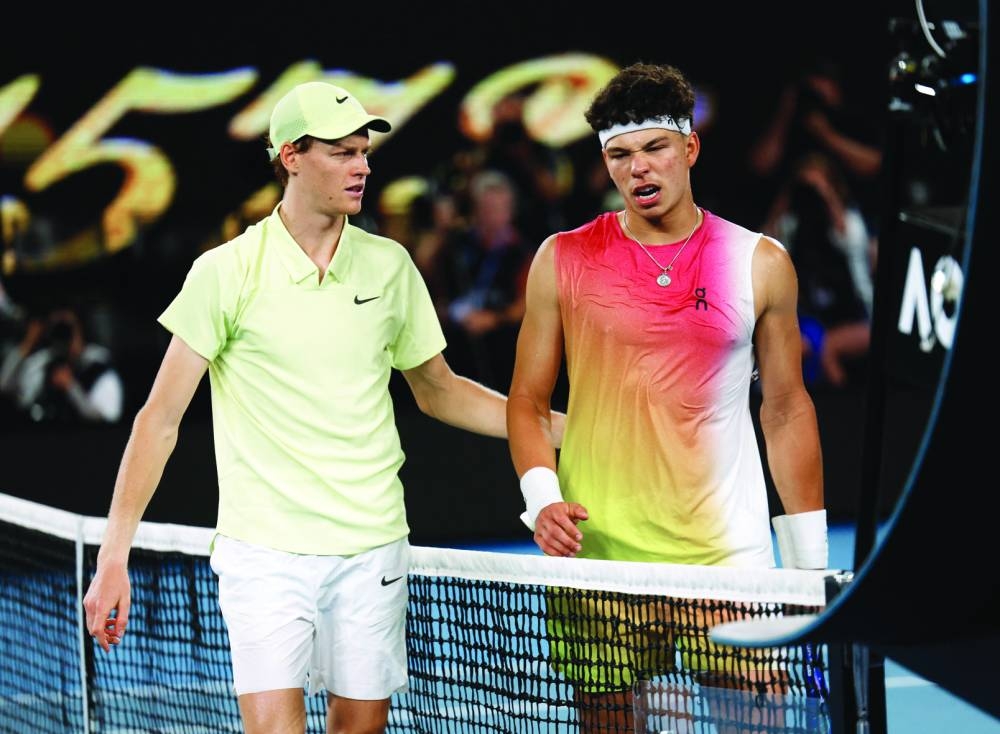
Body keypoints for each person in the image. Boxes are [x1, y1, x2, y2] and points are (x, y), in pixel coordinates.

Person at [82, 80, 563, 734]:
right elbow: (158, 421)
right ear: (291, 157)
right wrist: (115, 555)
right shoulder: (225, 273)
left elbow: (440, 390)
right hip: (265, 554)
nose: (361, 166)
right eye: (341, 153)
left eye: (363, 152)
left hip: (372, 548)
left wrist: (560, 427)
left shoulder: (390, 268)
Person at [506, 62, 827, 732]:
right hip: (600, 558)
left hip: (726, 559)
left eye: (654, 148)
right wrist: (541, 501)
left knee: (758, 724)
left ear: (690, 148)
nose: (639, 170)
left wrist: (808, 568)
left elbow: (787, 410)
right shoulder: (560, 259)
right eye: (620, 155)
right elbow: (528, 402)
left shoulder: (758, 262)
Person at [0, 307, 123, 424]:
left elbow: (108, 417)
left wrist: (71, 387)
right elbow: (11, 392)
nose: (63, 334)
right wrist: (28, 344)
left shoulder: (98, 365)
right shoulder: (41, 362)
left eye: (68, 328)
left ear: (80, 330)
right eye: (58, 328)